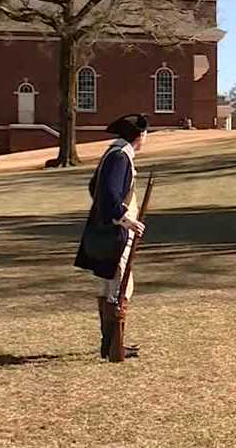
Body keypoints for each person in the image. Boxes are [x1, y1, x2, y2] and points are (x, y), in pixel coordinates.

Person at [75, 113, 149, 360]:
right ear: (140, 135)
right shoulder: (120, 157)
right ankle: (114, 346)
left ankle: (109, 344)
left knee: (110, 285)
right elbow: (107, 194)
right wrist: (127, 220)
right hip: (115, 233)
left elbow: (93, 186)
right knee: (119, 286)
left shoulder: (114, 153)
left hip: (106, 229)